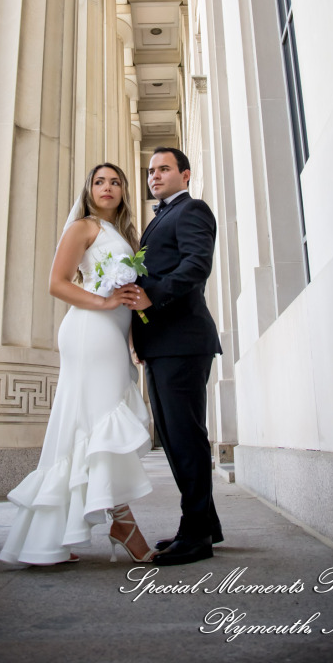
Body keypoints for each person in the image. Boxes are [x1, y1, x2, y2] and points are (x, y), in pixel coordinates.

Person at [0, 163, 154, 566]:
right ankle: (123, 523)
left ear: (123, 192)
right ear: (88, 190)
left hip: (113, 335)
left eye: (115, 182)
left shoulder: (126, 235)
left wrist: (133, 339)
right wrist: (103, 302)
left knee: (83, 427)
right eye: (99, 181)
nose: (108, 187)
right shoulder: (84, 227)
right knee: (99, 423)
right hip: (89, 331)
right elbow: (58, 282)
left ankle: (52, 535)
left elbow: (132, 294)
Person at [126, 147, 223, 566]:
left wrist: (152, 296)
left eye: (164, 168)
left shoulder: (192, 210)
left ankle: (196, 534)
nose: (155, 175)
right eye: (150, 170)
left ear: (185, 174)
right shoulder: (158, 219)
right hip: (162, 344)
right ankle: (205, 526)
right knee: (177, 437)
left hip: (184, 341)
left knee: (185, 438)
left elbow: (197, 265)